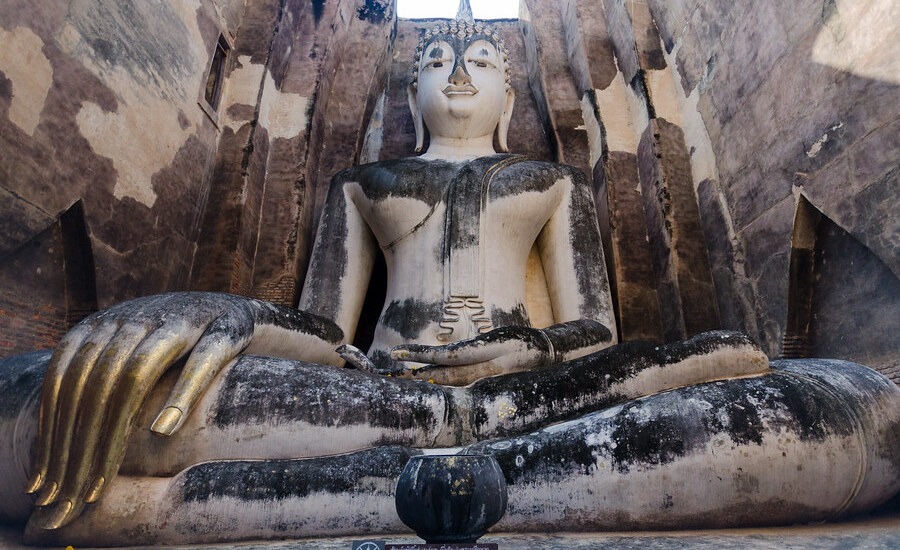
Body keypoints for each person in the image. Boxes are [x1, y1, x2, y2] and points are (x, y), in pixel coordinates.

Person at [0, 9, 897, 547]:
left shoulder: (551, 183)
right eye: (434, 59)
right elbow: (323, 335)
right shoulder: (366, 185)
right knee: (46, 392)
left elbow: (598, 334)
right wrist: (222, 313)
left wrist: (529, 346)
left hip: (540, 394)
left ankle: (217, 508)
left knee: (841, 399)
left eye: (480, 61)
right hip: (378, 397)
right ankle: (475, 470)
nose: (458, 69)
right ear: (408, 93)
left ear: (510, 94)